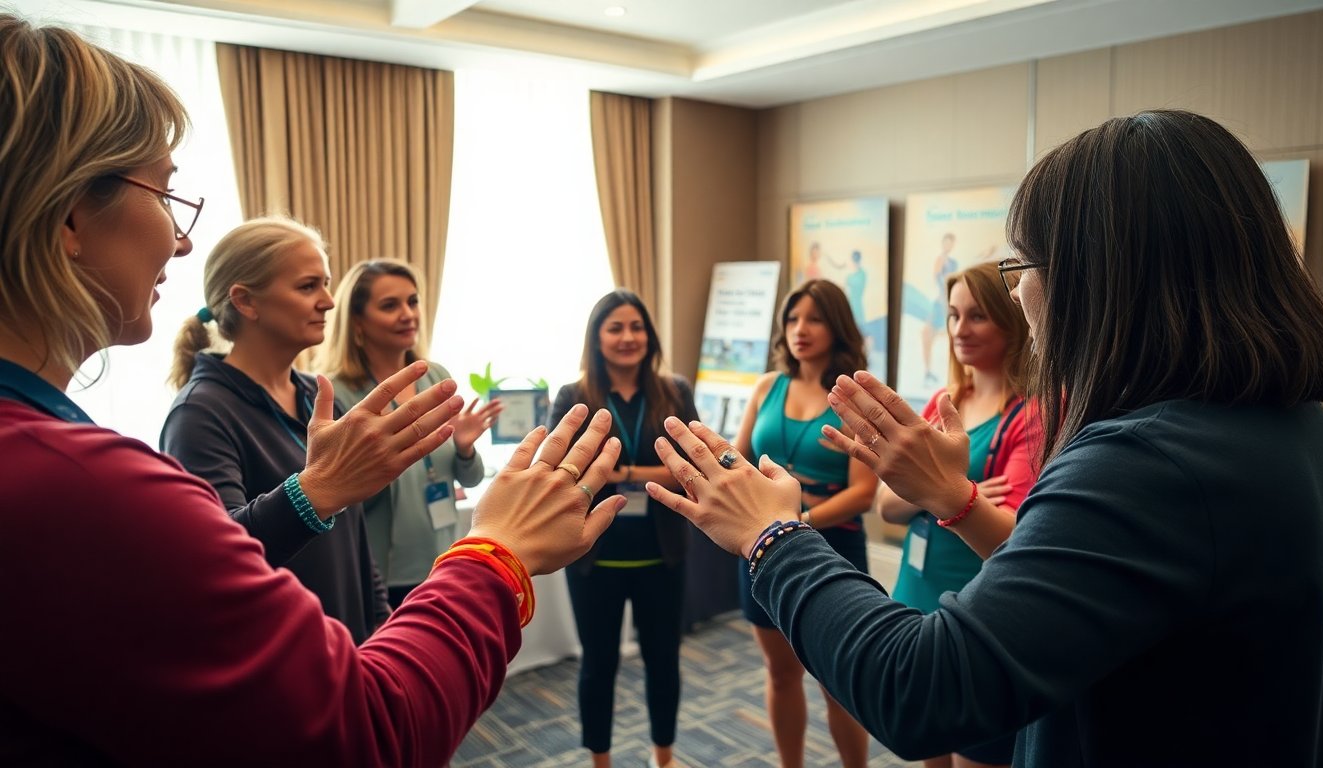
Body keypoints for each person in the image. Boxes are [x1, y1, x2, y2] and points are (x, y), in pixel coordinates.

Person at [0, 15, 621, 763]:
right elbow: (370, 731)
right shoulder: (98, 475)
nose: (180, 238)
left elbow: (346, 542)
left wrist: (378, 613)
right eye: (164, 195)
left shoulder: (313, 397)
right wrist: (497, 551)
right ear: (71, 214)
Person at [646, 110, 1323, 767]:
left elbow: (920, 688)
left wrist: (774, 537)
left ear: (1098, 278)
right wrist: (955, 498)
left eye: (1022, 268)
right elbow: (1092, 594)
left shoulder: (1146, 465)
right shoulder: (1299, 429)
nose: (1016, 296)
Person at [162, 218, 395, 643]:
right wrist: (316, 491)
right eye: (308, 287)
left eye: (326, 284)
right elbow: (219, 557)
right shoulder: (201, 413)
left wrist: (380, 620)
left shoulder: (318, 397)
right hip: (280, 655)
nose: (329, 302)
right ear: (246, 301)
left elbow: (354, 535)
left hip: (349, 643)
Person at [877, 260, 1039, 768]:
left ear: (1011, 320)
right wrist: (955, 493)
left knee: (975, 753)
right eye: (952, 315)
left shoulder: (1032, 412)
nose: (959, 329)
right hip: (916, 592)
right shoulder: (945, 401)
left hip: (978, 611)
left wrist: (937, 492)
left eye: (977, 316)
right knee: (929, 745)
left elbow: (1014, 536)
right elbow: (887, 506)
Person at [547, 290, 697, 768]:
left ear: (649, 336)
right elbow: (557, 475)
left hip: (662, 555)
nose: (628, 337)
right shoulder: (573, 397)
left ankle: (664, 757)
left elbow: (694, 469)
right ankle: (601, 761)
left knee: (664, 662)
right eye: (615, 328)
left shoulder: (675, 392)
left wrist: (623, 473)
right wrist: (655, 472)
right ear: (597, 337)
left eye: (637, 327)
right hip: (594, 557)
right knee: (598, 665)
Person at [732, 279, 878, 768]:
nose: (800, 329)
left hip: (831, 549)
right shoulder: (767, 386)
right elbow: (738, 458)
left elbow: (863, 492)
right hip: (761, 548)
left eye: (814, 319)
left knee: (838, 682)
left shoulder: (855, 397)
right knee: (780, 673)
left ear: (836, 327)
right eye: (793, 319)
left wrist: (797, 521)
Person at [316, 259, 503, 608]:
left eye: (412, 301)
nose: (408, 314)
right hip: (381, 574)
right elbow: (335, 496)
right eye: (390, 305)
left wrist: (464, 449)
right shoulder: (338, 394)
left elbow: (471, 479)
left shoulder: (436, 377)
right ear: (357, 321)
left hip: (443, 562)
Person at [921, 233, 958, 386]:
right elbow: (937, 280)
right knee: (927, 336)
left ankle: (952, 376)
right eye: (946, 243)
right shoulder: (939, 260)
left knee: (950, 337)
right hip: (939, 303)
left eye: (950, 243)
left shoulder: (953, 262)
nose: (947, 246)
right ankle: (928, 372)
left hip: (948, 304)